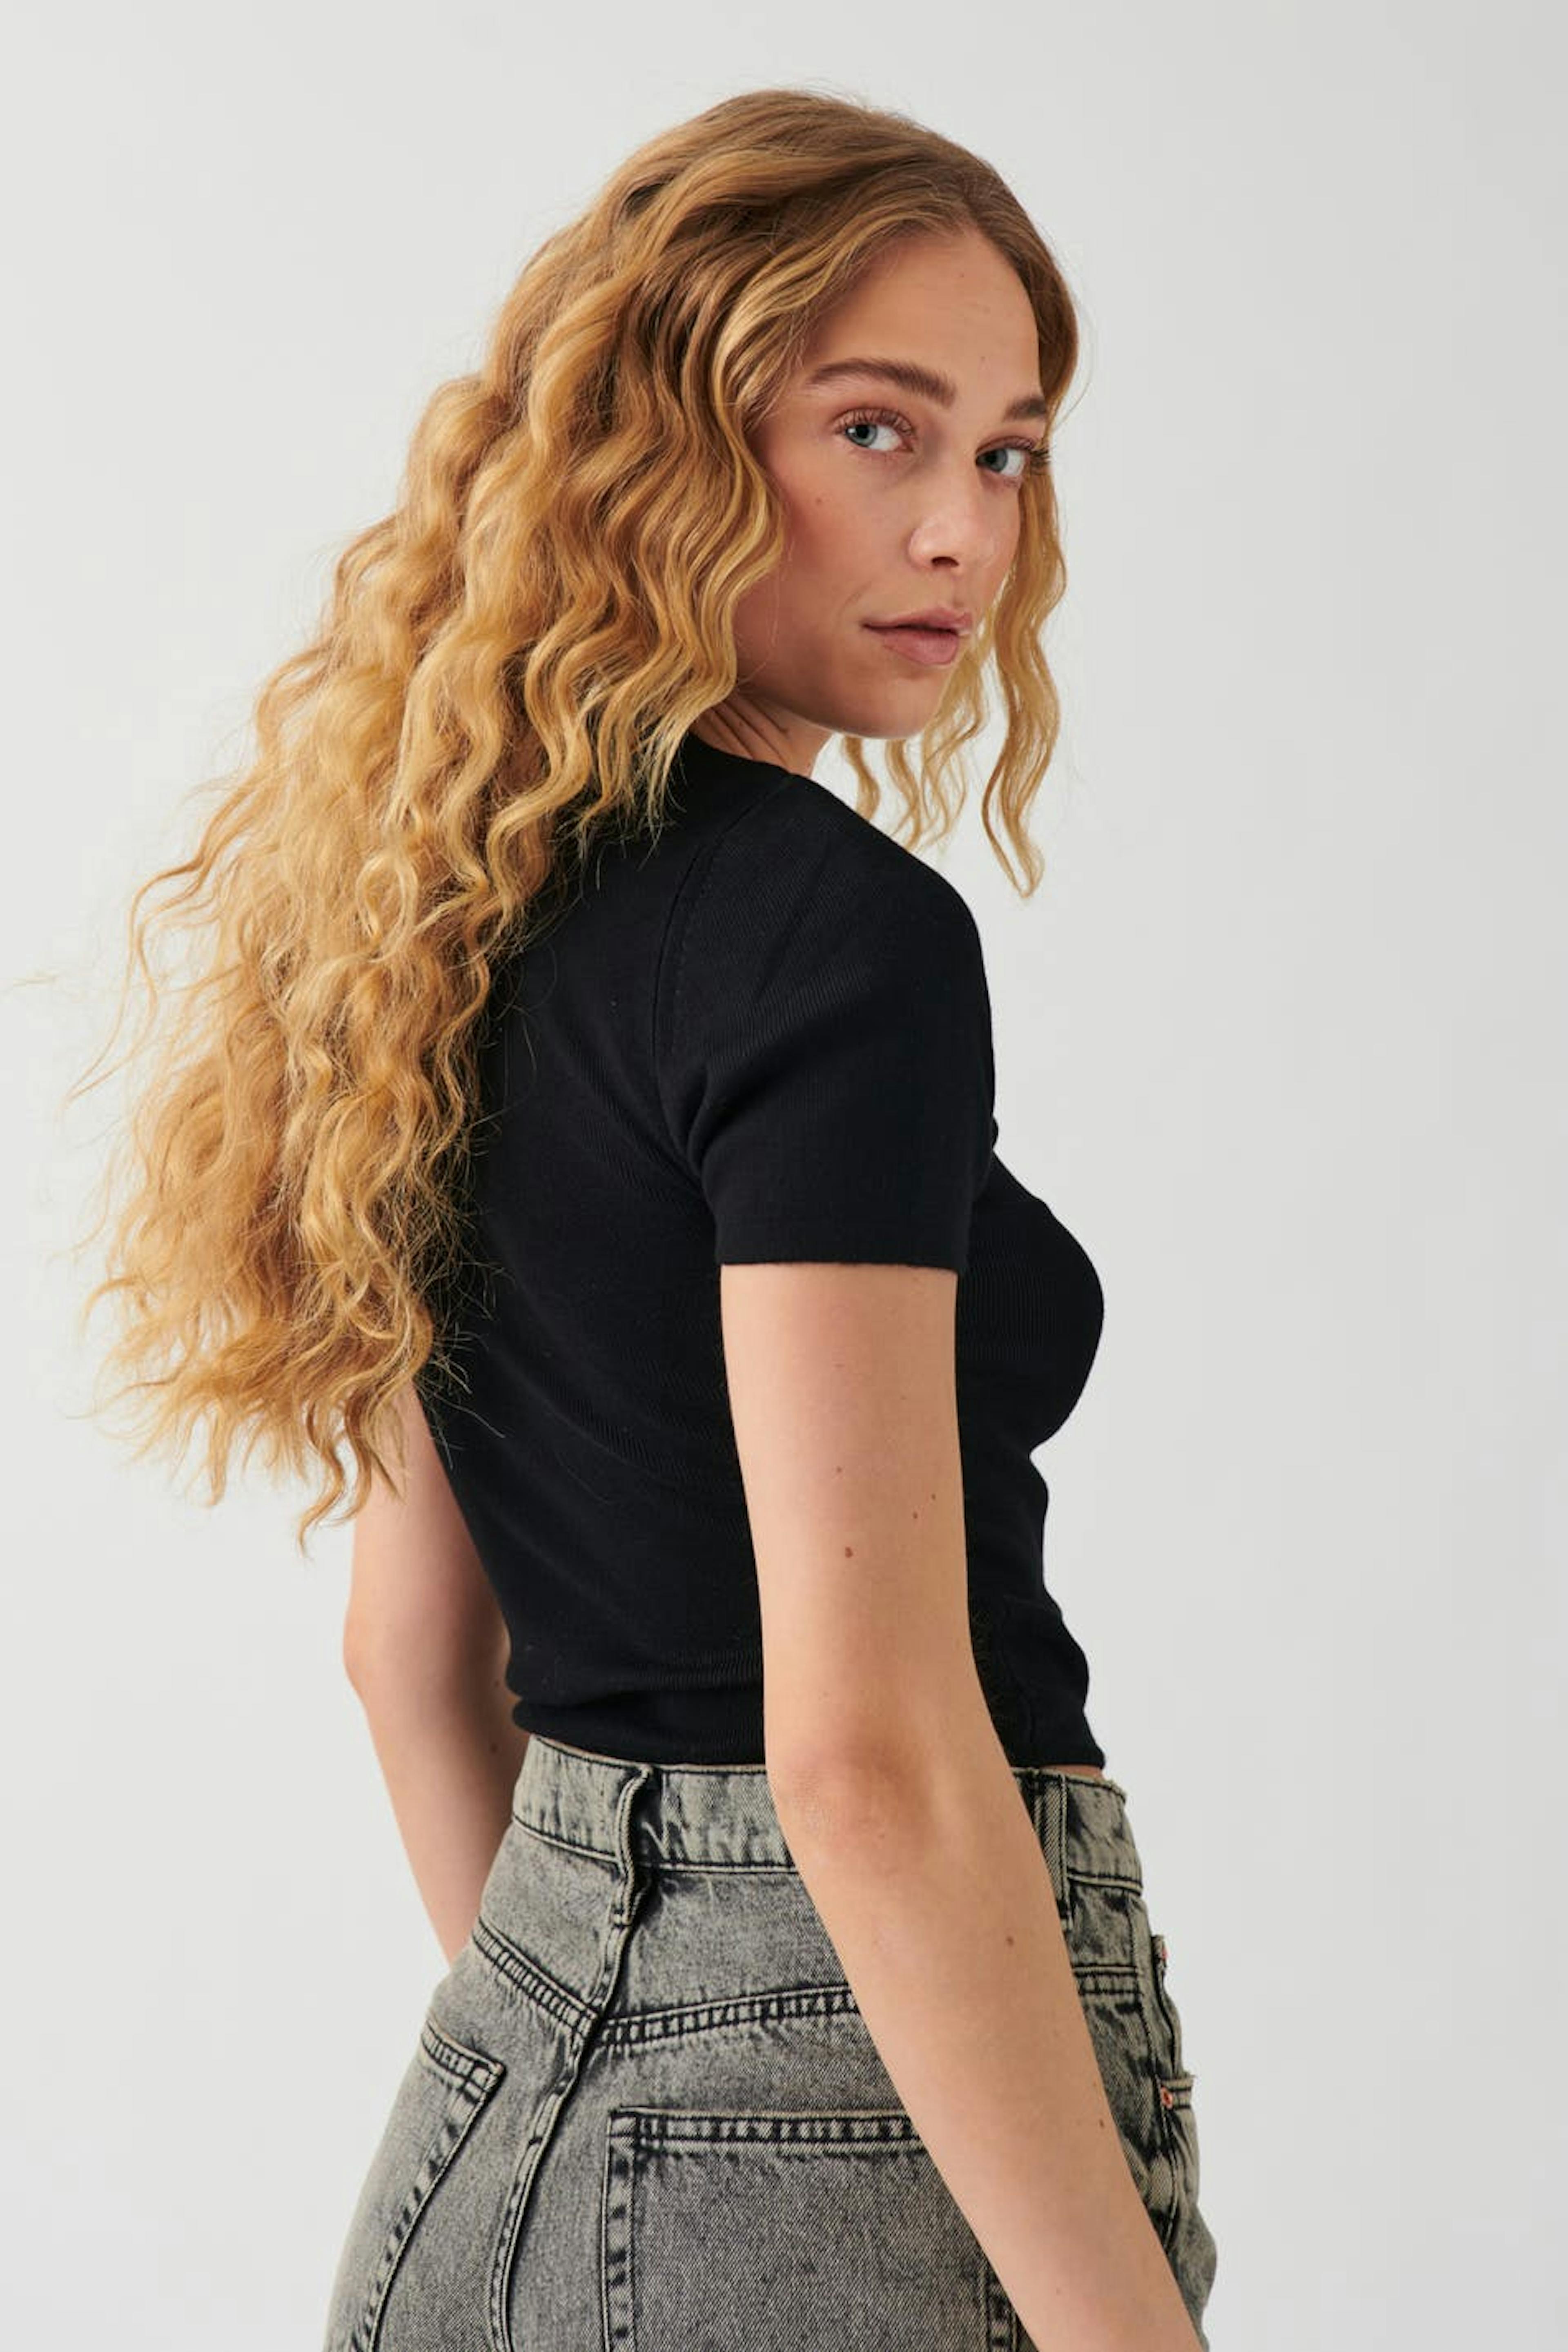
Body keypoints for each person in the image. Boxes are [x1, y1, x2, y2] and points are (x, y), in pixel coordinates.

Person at [80, 85, 1218, 2352]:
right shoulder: (839, 945)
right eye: (879, 430)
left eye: (1008, 452)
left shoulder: (433, 930)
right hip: (854, 2108)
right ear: (664, 445)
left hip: (503, 2110)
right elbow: (869, 1761)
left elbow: (414, 1655)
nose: (965, 531)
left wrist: (628, 2082)